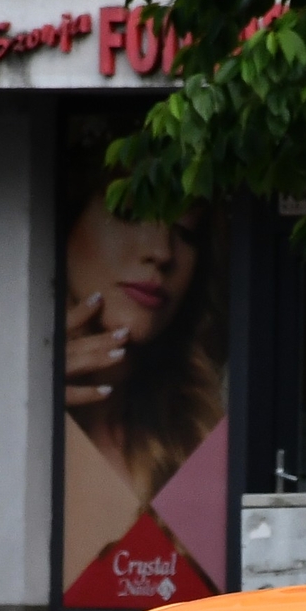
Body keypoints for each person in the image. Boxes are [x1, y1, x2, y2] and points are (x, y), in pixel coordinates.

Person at [58, 133, 226, 502]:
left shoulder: (204, 431)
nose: (162, 251)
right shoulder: (7, 409)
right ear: (64, 222)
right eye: (130, 212)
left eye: (186, 231)